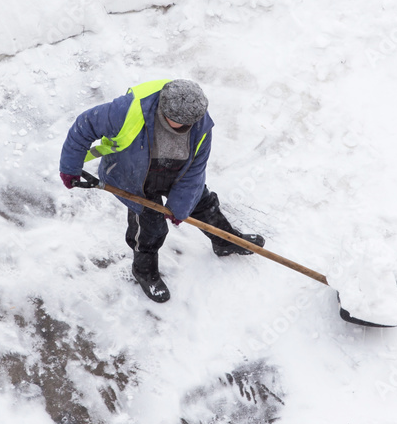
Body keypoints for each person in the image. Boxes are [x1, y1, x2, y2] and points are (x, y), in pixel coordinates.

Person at [59, 79, 265, 303]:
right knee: (150, 229)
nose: (185, 127)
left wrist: (180, 207)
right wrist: (70, 167)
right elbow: (85, 125)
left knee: (204, 204)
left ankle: (225, 242)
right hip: (134, 177)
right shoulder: (127, 110)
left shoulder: (201, 124)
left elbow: (195, 170)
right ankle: (144, 271)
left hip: (177, 172)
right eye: (178, 122)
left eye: (190, 122)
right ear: (162, 109)